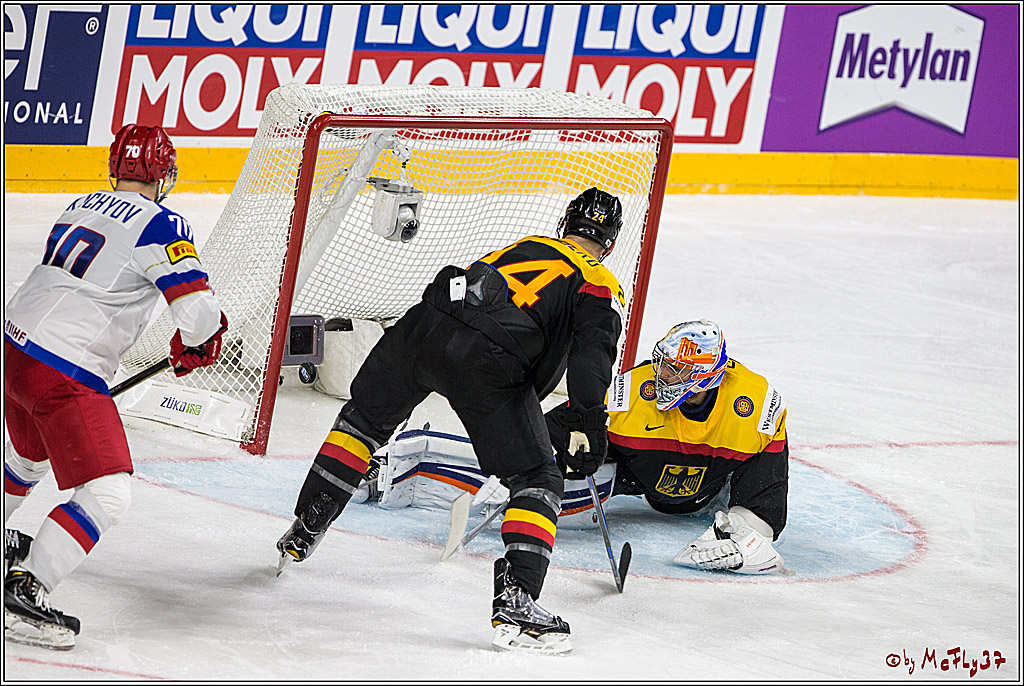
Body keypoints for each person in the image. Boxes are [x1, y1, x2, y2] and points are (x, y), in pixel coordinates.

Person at [276, 187, 626, 654]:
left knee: (362, 424)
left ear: (566, 225)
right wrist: (588, 419)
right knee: (536, 475)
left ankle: (309, 520)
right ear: (611, 241)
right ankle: (517, 599)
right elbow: (592, 355)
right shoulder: (599, 280)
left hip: (422, 328)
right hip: (488, 358)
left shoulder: (523, 246)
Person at [3, 124, 228, 650]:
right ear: (164, 175)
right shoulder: (163, 223)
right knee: (107, 492)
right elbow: (197, 316)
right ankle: (24, 592)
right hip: (65, 367)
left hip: (14, 347)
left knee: (24, 459)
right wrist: (200, 337)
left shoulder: (79, 205)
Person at [546, 319, 790, 574]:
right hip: (637, 476)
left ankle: (733, 515)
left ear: (703, 375)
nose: (660, 374)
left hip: (715, 484)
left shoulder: (755, 405)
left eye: (674, 368)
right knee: (554, 487)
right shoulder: (631, 392)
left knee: (756, 532)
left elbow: (769, 485)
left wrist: (751, 532)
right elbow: (552, 430)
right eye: (662, 363)